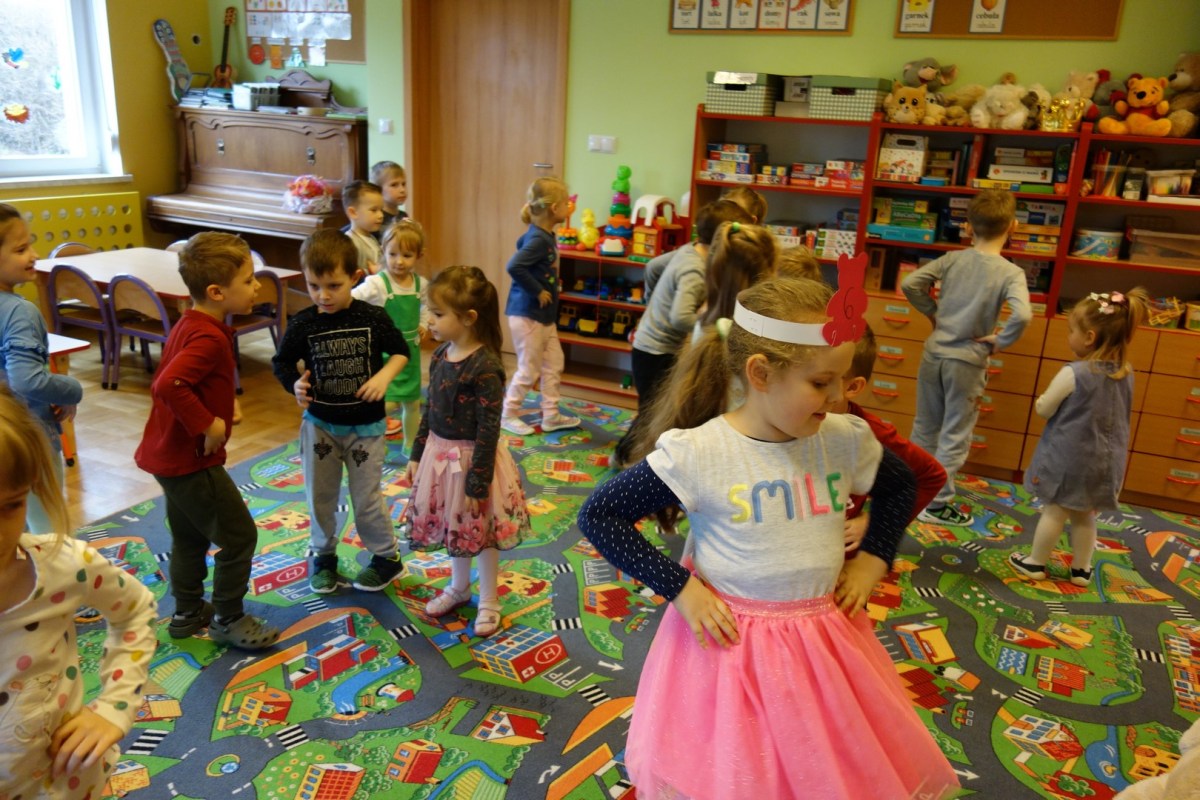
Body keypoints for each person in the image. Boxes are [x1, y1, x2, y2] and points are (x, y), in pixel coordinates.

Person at [578, 277, 959, 800]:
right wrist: (681, 588)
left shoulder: (843, 438)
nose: (838, 397)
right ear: (760, 373)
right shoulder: (701, 453)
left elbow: (901, 486)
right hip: (732, 647)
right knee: (740, 766)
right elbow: (600, 515)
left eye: (843, 380)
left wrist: (874, 557)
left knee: (823, 759)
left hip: (824, 642)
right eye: (821, 382)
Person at [0, 384, 158, 799]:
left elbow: (135, 609)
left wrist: (115, 706)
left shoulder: (62, 565)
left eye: (10, 506)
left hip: (66, 784)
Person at [134, 232, 280, 649]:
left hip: (167, 457)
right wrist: (208, 424)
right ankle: (227, 618)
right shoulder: (210, 337)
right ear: (217, 292)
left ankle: (187, 612)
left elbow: (190, 379)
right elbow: (169, 384)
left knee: (190, 537)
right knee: (240, 537)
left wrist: (223, 402)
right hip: (192, 461)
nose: (256, 287)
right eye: (248, 280)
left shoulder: (191, 322)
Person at [272, 229, 410, 594]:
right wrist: (294, 385)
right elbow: (282, 362)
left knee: (366, 500)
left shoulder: (372, 317)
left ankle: (387, 558)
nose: (323, 295)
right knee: (320, 496)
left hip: (366, 429)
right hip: (320, 428)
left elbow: (401, 351)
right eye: (313, 286)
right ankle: (324, 557)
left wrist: (383, 377)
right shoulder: (303, 323)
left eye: (333, 285)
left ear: (355, 277)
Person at [403, 265, 530, 638]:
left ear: (469, 318)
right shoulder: (441, 355)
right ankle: (459, 587)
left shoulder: (486, 367)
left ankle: (489, 600)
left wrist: (478, 482)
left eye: (438, 313)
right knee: (453, 525)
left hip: (475, 463)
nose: (429, 320)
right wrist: (416, 454)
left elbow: (490, 428)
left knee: (482, 531)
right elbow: (430, 409)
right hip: (439, 457)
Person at [902, 189, 1031, 526]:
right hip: (967, 361)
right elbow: (1023, 315)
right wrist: (1001, 341)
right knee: (955, 434)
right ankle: (937, 503)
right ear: (1013, 227)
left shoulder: (951, 259)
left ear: (969, 227)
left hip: (934, 354)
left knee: (925, 426)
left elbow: (910, 283)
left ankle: (913, 491)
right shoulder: (1010, 272)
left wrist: (933, 312)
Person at [1010, 288, 1150, 588]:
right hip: (1106, 463)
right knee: (1085, 514)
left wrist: (1041, 402)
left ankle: (1035, 562)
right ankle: (1081, 570)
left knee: (1055, 510)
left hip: (1070, 460)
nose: (1069, 337)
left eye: (1071, 331)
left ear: (1089, 337)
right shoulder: (1126, 373)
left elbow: (1044, 408)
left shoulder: (1075, 372)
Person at [615, 200, 754, 466]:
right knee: (653, 413)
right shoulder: (696, 270)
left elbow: (653, 267)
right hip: (657, 351)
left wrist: (652, 299)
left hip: (650, 344)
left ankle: (626, 454)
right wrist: (707, 322)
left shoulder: (689, 250)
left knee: (651, 410)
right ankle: (626, 459)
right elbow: (679, 317)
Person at [0, 203, 83, 533]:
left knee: (10, 531)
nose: (33, 255)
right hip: (28, 435)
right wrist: (71, 390)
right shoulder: (20, 312)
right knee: (49, 530)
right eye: (21, 249)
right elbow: (26, 379)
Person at [834, 324, 947, 551]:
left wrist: (874, 523)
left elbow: (931, 475)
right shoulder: (787, 422)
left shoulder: (871, 433)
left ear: (852, 386)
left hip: (840, 553)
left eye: (819, 382)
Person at [500, 176, 581, 435]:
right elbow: (514, 266)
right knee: (529, 370)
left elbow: (525, 254)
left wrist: (548, 281)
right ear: (554, 208)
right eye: (566, 203)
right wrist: (538, 290)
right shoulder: (539, 239)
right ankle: (507, 413)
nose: (570, 207)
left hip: (543, 317)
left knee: (554, 364)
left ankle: (551, 415)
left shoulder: (543, 235)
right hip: (529, 315)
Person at [352, 218, 431, 449]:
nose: (399, 261)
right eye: (393, 254)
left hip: (411, 355)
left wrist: (424, 323)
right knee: (384, 403)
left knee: (412, 403)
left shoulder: (421, 284)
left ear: (419, 255)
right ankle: (367, 440)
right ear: (384, 251)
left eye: (407, 255)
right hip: (385, 356)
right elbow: (353, 298)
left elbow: (427, 306)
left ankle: (410, 446)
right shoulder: (378, 283)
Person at [341, 179, 385, 275]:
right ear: (353, 213)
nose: (381, 215)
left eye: (381, 210)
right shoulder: (351, 243)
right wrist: (371, 271)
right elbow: (349, 275)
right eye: (374, 210)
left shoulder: (371, 237)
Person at [370, 160, 410, 233]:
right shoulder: (376, 219)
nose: (402, 190)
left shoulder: (404, 216)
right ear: (378, 189)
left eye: (403, 184)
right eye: (394, 185)